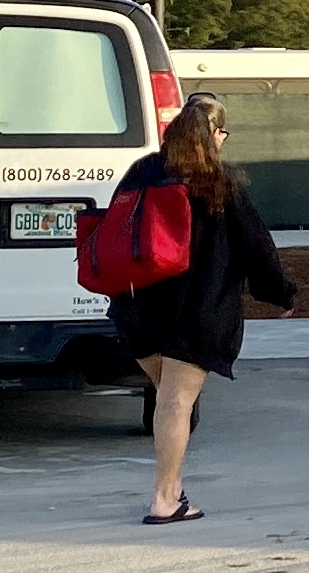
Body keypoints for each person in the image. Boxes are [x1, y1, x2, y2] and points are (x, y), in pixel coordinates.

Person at [107, 92, 297, 523]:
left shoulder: (141, 173)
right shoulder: (220, 183)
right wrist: (281, 294)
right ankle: (165, 498)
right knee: (176, 403)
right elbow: (256, 248)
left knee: (168, 401)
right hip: (196, 313)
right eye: (222, 133)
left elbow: (116, 230)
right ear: (212, 135)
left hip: (138, 310)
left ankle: (172, 488)